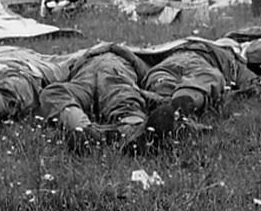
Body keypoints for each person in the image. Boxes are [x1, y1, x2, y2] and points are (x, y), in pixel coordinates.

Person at [38, 44, 170, 152]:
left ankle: (134, 132)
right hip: (82, 79)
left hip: (116, 72)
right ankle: (84, 131)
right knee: (53, 92)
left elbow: (145, 75)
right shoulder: (76, 58)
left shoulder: (133, 58)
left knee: (123, 97)